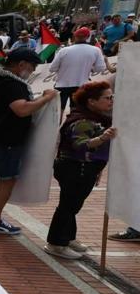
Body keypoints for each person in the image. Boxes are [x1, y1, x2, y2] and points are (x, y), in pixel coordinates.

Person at [0, 48, 58, 235]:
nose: (32, 71)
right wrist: (46, 98)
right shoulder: (13, 85)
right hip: (5, 141)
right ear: (21, 64)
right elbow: (22, 109)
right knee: (7, 179)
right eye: (32, 66)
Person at [44, 81, 115, 259]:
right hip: (75, 168)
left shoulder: (98, 117)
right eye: (106, 98)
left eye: (111, 97)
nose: (111, 101)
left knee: (72, 205)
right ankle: (56, 243)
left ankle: (68, 237)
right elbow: (81, 145)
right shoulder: (82, 121)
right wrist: (103, 138)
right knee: (68, 206)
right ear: (91, 101)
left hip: (85, 168)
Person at [49, 26, 106, 114]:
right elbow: (101, 68)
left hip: (61, 85)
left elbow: (52, 68)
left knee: (58, 112)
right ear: (87, 37)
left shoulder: (63, 50)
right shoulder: (95, 50)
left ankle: (58, 127)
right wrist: (90, 68)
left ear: (75, 36)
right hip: (81, 85)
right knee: (76, 112)